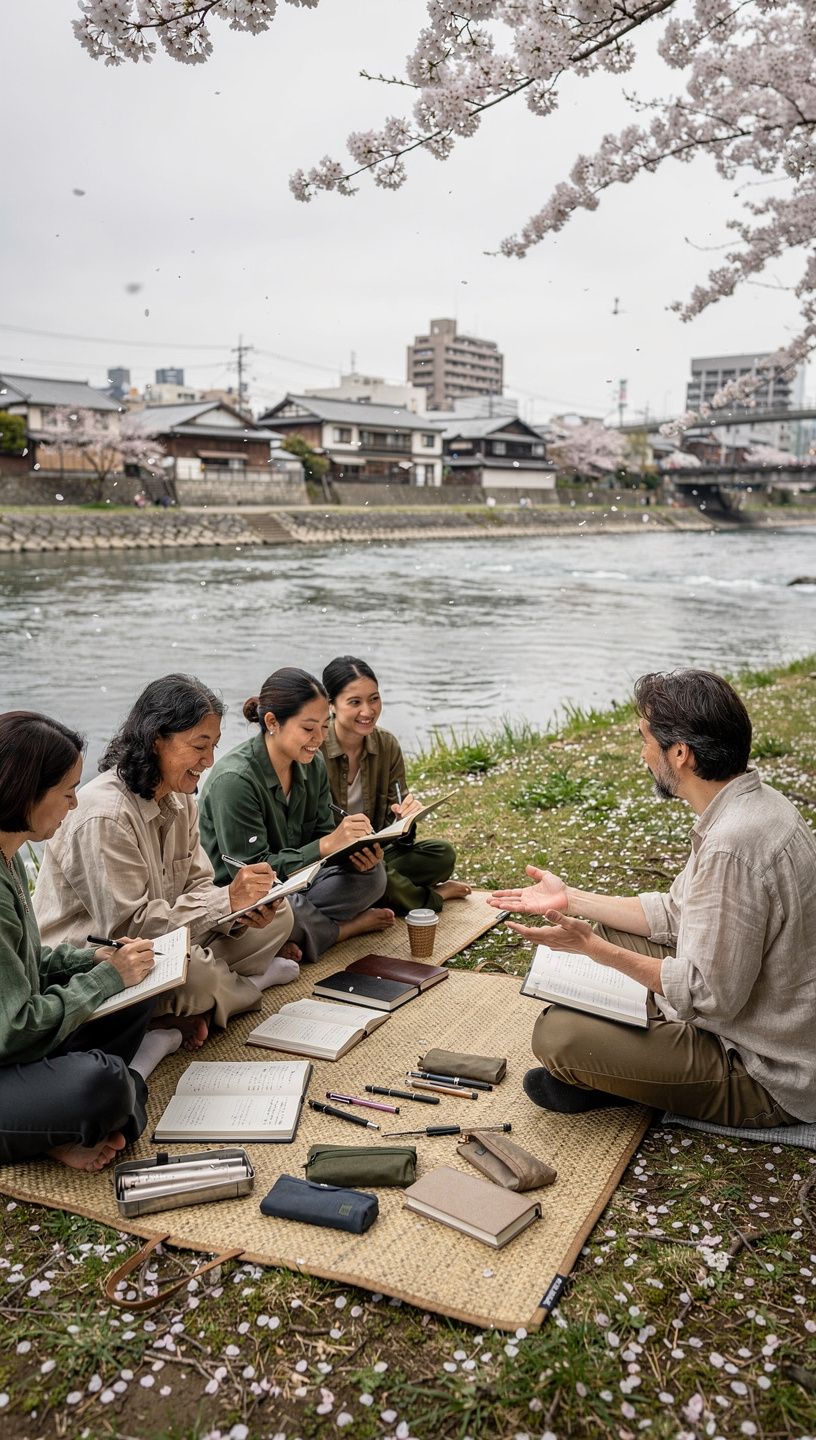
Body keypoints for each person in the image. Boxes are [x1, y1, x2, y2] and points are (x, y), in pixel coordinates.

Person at [491, 668, 816, 1127]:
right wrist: (569, 899)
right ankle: (631, 1064)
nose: (642, 753)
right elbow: (676, 913)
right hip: (761, 1012)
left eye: (645, 739)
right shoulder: (750, 805)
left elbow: (709, 995)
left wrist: (595, 950)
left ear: (680, 753)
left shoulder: (732, 846)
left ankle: (630, 1075)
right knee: (610, 934)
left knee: (557, 1035)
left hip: (766, 1068)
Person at [34, 675, 297, 1047]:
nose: (209, 761)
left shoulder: (180, 796)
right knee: (198, 975)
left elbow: (199, 885)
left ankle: (201, 1001)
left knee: (280, 916)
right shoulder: (105, 815)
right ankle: (244, 986)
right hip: (103, 957)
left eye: (213, 746)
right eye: (199, 746)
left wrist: (240, 912)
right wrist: (225, 902)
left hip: (167, 940)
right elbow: (128, 929)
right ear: (156, 739)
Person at [0, 710, 173, 1171]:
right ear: (27, 791)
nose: (74, 803)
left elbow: (27, 965)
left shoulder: (8, 856)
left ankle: (60, 1125)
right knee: (103, 1084)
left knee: (139, 990)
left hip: (14, 1055)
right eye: (67, 792)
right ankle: (101, 1103)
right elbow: (14, 1030)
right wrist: (104, 980)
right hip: (8, 1051)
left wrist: (94, 960)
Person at [199, 667, 394, 963]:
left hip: (297, 884)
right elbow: (248, 873)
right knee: (281, 908)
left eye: (325, 727)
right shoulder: (235, 781)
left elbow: (321, 836)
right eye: (308, 728)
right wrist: (326, 845)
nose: (319, 738)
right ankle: (340, 931)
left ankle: (291, 935)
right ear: (272, 722)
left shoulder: (313, 765)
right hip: (245, 896)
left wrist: (353, 851)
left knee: (373, 876)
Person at [320, 656, 470, 916]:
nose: (368, 711)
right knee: (376, 875)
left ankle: (374, 895)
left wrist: (406, 820)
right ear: (331, 705)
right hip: (330, 863)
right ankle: (431, 898)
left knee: (442, 855)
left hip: (376, 853)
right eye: (355, 702)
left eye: (374, 699)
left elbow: (397, 830)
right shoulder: (315, 752)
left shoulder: (387, 745)